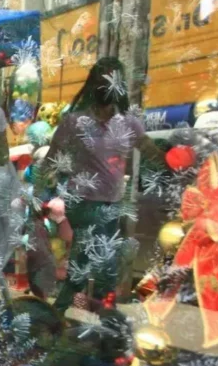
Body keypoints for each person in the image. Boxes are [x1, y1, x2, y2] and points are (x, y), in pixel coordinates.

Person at [39, 57, 162, 311]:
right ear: (93, 84)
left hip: (112, 205)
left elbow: (149, 151)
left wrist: (175, 162)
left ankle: (65, 312)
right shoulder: (74, 122)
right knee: (103, 264)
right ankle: (104, 316)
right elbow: (51, 160)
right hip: (84, 204)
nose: (106, 85)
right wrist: (42, 195)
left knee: (87, 264)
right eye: (102, 79)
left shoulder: (127, 123)